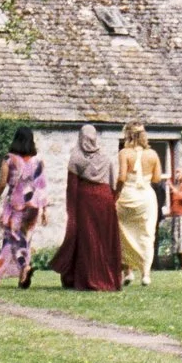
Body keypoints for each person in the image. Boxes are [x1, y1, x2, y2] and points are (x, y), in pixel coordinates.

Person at [51, 124, 123, 292]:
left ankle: (90, 278)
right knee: (104, 239)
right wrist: (112, 199)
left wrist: (71, 210)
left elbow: (72, 187)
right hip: (105, 199)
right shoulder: (105, 157)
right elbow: (112, 183)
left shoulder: (76, 157)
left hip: (86, 200)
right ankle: (108, 279)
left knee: (88, 239)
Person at [0, 128, 46, 288]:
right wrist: (45, 209)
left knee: (12, 238)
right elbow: (42, 185)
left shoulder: (9, 159)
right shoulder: (38, 161)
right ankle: (22, 275)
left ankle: (23, 267)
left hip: (16, 204)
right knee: (24, 239)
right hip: (33, 205)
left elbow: (2, 183)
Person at [114, 125, 161, 287]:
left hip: (127, 195)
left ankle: (128, 271)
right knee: (146, 233)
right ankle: (145, 274)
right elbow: (156, 179)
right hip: (146, 197)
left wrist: (116, 193)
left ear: (127, 135)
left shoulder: (124, 153)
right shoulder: (153, 154)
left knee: (124, 233)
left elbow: (122, 177)